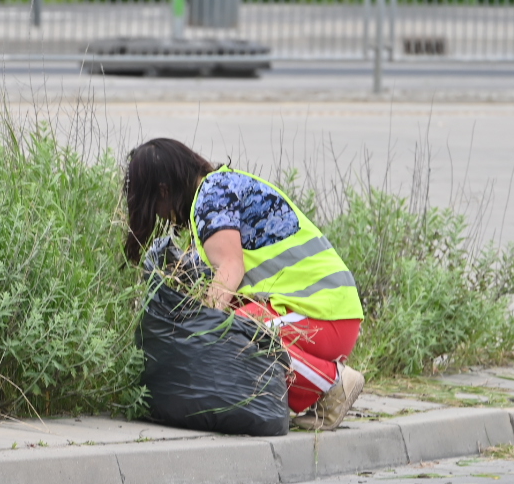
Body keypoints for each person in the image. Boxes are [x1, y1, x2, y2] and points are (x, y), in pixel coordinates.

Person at [123, 138, 366, 431]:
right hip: (323, 311)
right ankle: (320, 391)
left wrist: (200, 331)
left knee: (230, 333)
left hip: (326, 315)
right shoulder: (219, 190)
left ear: (163, 191)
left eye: (156, 208)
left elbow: (230, 269)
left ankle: (333, 382)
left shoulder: (211, 199)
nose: (163, 218)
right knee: (233, 321)